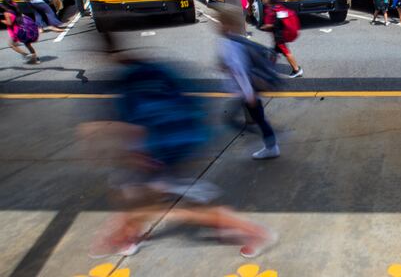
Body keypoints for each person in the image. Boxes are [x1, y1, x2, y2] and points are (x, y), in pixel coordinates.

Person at [81, 39, 276, 259]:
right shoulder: (152, 69)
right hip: (178, 143)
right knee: (134, 192)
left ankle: (255, 233)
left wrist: (137, 153)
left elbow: (136, 123)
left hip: (162, 150)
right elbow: (189, 101)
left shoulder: (129, 80)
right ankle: (127, 235)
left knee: (174, 202)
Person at [217, 5, 281, 159]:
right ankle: (270, 141)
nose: (217, 25)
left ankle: (271, 142)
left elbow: (239, 70)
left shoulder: (229, 44)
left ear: (227, 24)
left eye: (220, 22)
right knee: (257, 118)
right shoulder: (236, 40)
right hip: (248, 89)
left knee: (231, 120)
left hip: (246, 90)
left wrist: (249, 93)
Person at [260, 0, 303, 78]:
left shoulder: (270, 10)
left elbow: (270, 25)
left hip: (279, 36)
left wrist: (262, 27)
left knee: (286, 52)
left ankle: (297, 70)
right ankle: (269, 69)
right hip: (281, 33)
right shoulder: (278, 6)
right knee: (274, 51)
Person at [1, 0, 39, 64]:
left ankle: (26, 55)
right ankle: (35, 59)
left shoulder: (7, 13)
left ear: (4, 5)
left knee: (11, 44)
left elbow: (9, 23)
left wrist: (1, 20)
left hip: (15, 31)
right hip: (22, 28)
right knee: (27, 44)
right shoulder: (15, 9)